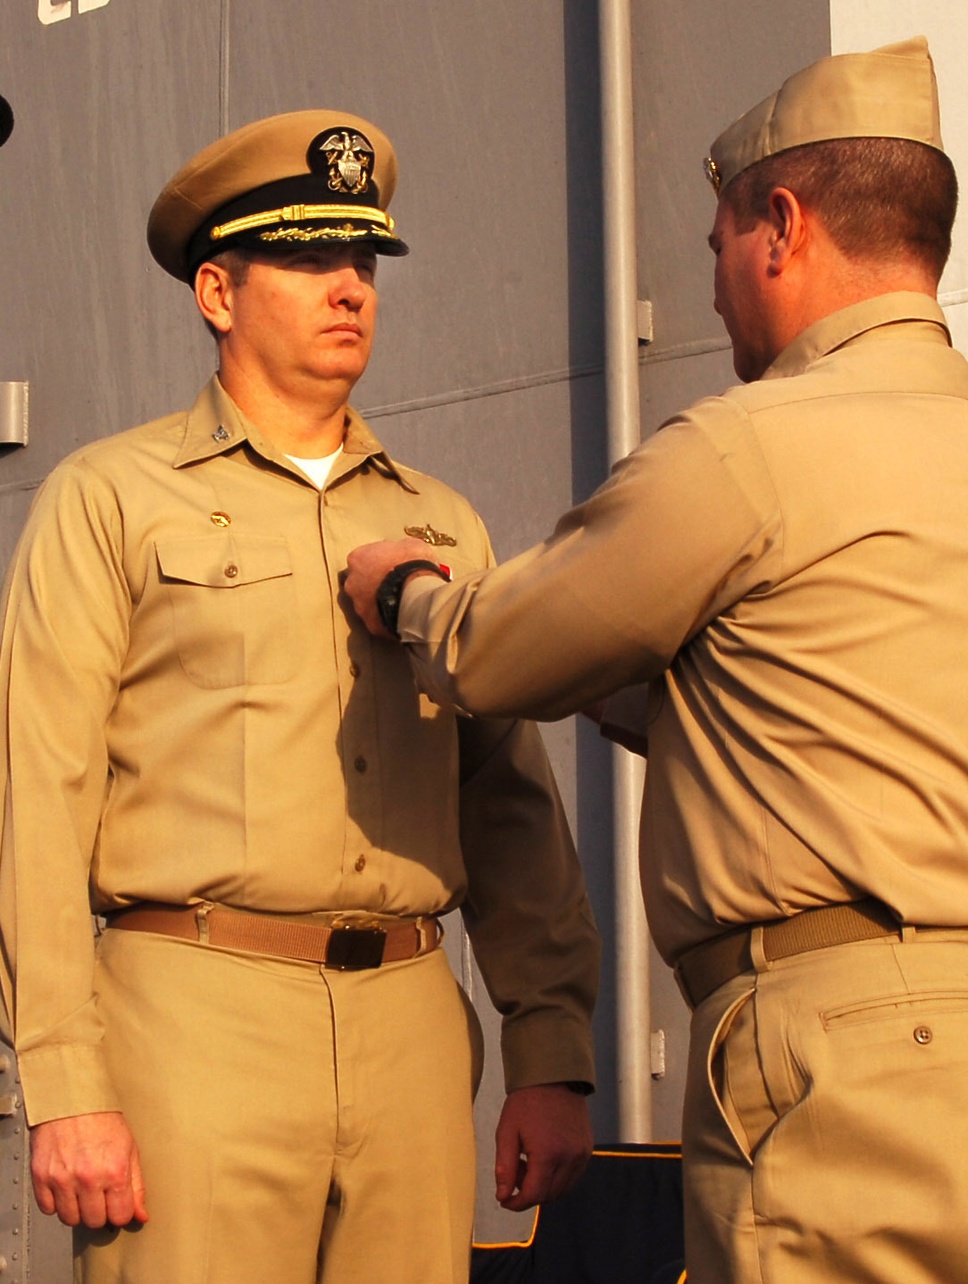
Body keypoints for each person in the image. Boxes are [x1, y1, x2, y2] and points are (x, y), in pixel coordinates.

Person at [345, 36, 968, 1282]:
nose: (710, 294)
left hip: (848, 1060)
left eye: (714, 250)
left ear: (781, 226)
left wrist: (407, 593)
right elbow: (825, 698)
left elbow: (493, 653)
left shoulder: (748, 450)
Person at [0, 109, 600, 1283]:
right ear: (216, 292)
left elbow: (508, 804)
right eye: (308, 259)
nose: (349, 289)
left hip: (414, 1032)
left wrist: (549, 1053)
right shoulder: (109, 498)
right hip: (191, 1019)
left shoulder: (437, 521)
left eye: (363, 261)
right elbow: (36, 791)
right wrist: (64, 1082)